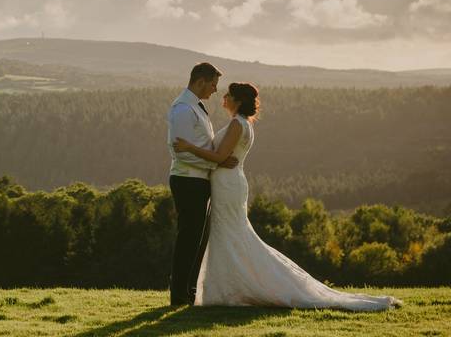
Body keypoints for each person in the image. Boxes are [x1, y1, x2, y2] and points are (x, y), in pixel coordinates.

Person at [173, 82, 402, 310]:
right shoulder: (244, 124)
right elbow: (223, 157)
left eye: (228, 94)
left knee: (232, 233)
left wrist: (189, 147)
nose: (223, 96)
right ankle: (227, 287)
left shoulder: (236, 124)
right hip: (230, 182)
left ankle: (240, 287)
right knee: (230, 234)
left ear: (238, 101)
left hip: (227, 184)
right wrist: (221, 159)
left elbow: (219, 155)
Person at [167, 62, 238, 306]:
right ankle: (178, 295)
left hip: (198, 180)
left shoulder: (195, 107)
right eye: (213, 85)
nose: (215, 91)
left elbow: (196, 146)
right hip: (187, 180)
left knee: (197, 238)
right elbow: (182, 153)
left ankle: (188, 292)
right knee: (188, 238)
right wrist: (217, 163)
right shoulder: (183, 110)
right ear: (200, 82)